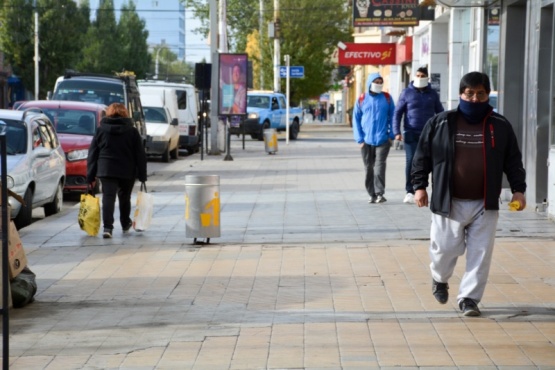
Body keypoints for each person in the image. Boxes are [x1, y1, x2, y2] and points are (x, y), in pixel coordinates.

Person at [411, 72, 527, 317]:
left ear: (488, 95)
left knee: (480, 254)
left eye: (481, 93)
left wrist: (519, 190)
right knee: (444, 250)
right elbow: (421, 157)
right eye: (470, 93)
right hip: (447, 202)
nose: (475, 98)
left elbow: (513, 161)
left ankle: (469, 299)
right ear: (461, 94)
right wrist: (419, 186)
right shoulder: (441, 122)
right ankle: (440, 278)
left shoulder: (500, 125)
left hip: (485, 203)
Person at [87, 103, 147, 239]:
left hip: (106, 169)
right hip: (127, 170)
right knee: (124, 197)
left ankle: (108, 227)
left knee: (108, 198)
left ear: (108, 113)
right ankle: (125, 223)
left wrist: (90, 175)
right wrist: (142, 175)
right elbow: (140, 154)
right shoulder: (132, 131)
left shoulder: (101, 130)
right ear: (125, 114)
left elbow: (93, 153)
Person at [393, 66, 444, 204]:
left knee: (431, 162)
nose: (420, 78)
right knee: (411, 161)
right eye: (417, 75)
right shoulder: (406, 93)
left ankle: (429, 188)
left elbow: (440, 112)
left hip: (429, 134)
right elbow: (397, 113)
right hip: (411, 133)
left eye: (422, 76)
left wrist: (443, 129)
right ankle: (410, 190)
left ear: (427, 78)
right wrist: (396, 132)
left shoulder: (432, 94)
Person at [352, 72, 395, 203]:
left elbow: (393, 116)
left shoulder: (387, 98)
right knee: (368, 168)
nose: (378, 84)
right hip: (366, 140)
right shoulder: (362, 99)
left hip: (383, 139)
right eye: (376, 82)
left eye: (380, 82)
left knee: (379, 166)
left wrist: (391, 135)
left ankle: (379, 193)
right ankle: (371, 193)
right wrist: (360, 139)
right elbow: (356, 119)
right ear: (370, 83)